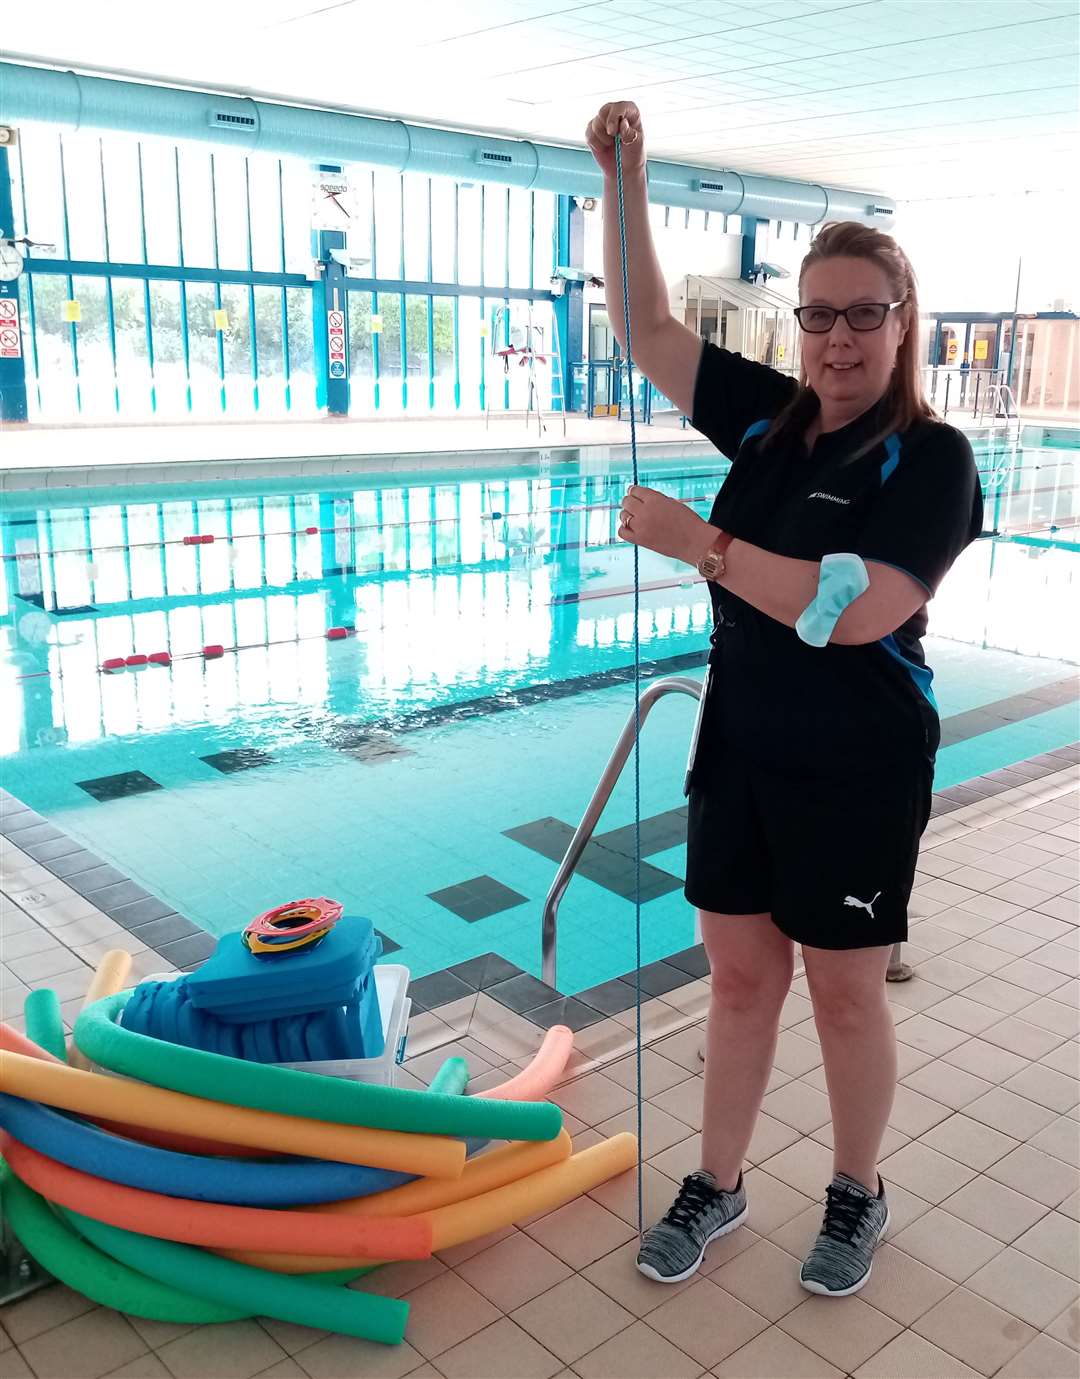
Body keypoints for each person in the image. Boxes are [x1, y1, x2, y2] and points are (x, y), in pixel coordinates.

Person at [585, 101, 982, 1297]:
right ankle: (720, 1180)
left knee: (844, 992)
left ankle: (857, 1190)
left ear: (903, 323)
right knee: (743, 976)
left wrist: (700, 546)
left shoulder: (933, 455)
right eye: (822, 315)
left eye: (867, 314)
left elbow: (852, 609)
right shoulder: (768, 423)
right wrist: (626, 177)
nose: (841, 340)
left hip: (859, 762)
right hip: (743, 749)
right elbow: (647, 327)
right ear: (799, 321)